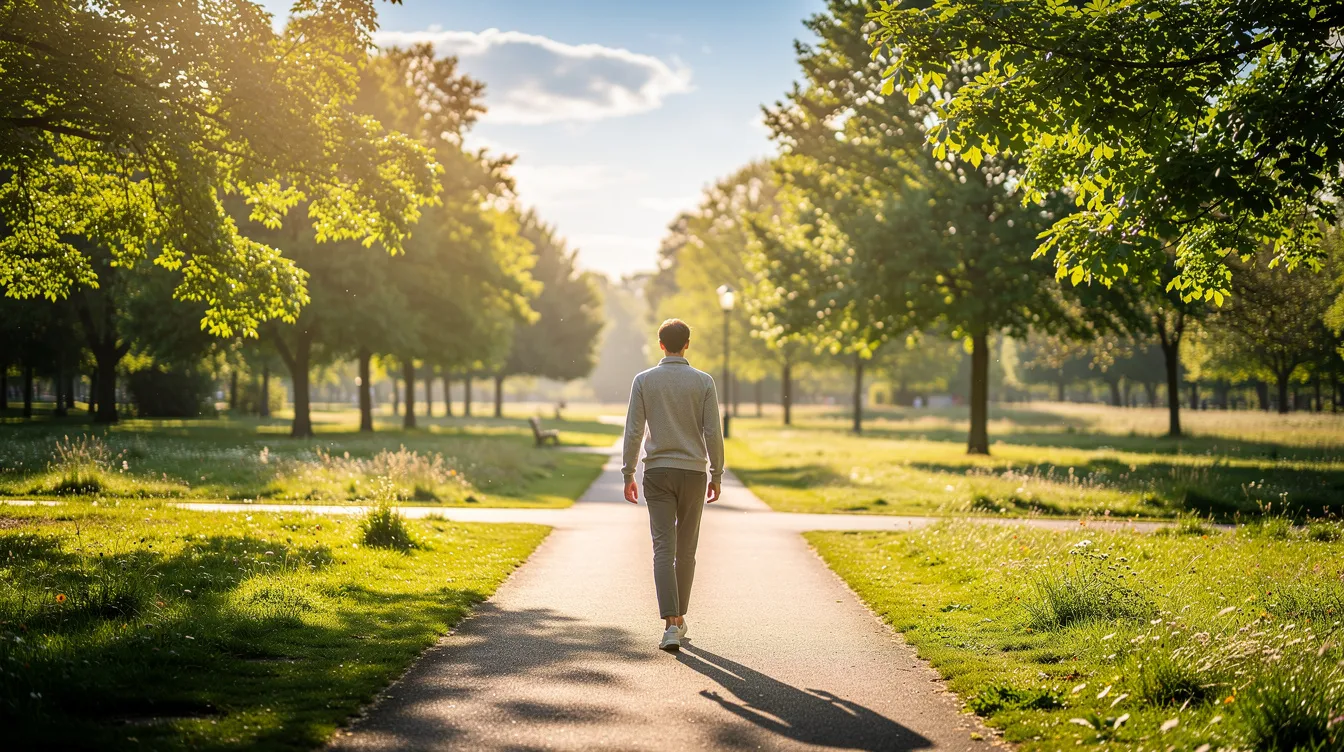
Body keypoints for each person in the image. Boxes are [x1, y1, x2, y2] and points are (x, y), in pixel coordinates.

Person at [622, 318, 725, 651]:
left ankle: (671, 624)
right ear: (688, 344)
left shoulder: (644, 381)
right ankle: (678, 619)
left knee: (663, 549)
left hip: (657, 473)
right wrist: (717, 472)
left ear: (661, 344)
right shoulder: (703, 382)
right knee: (687, 550)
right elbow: (712, 431)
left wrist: (628, 472)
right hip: (693, 473)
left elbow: (635, 430)